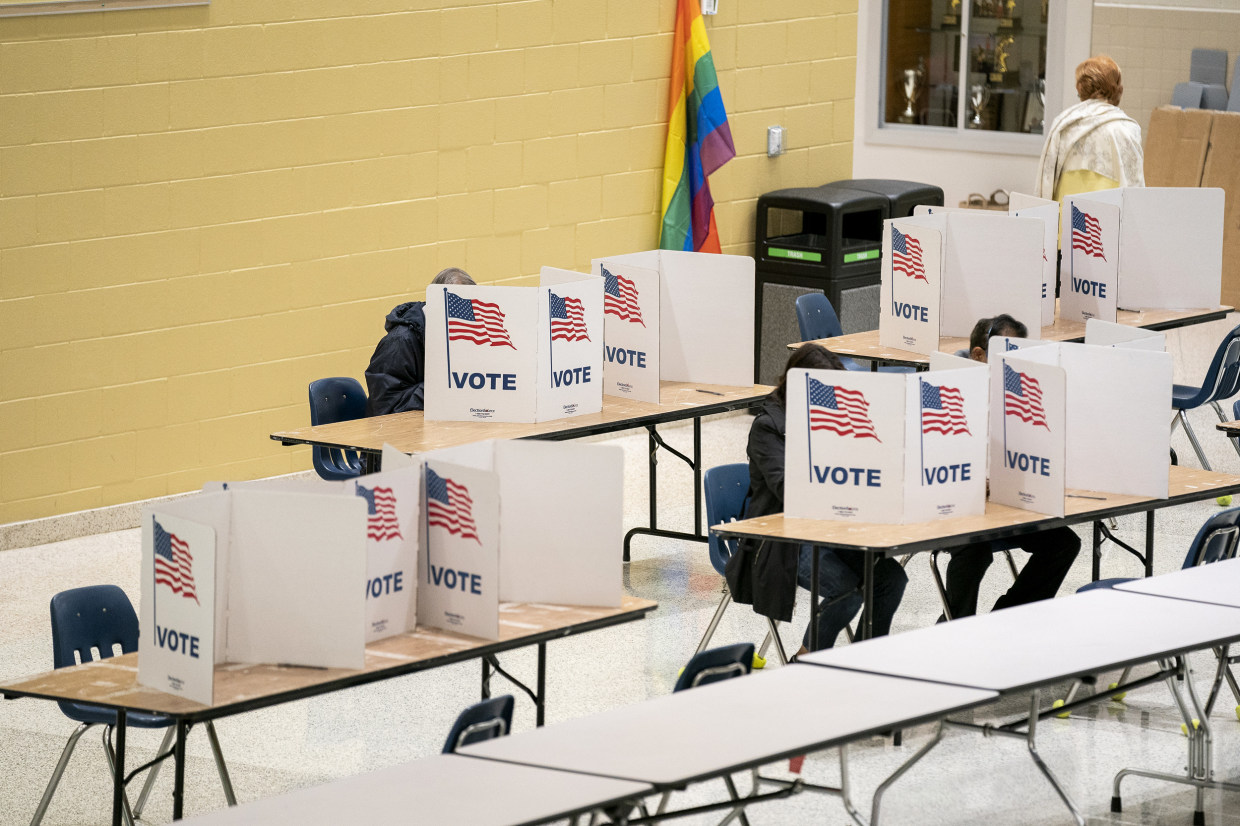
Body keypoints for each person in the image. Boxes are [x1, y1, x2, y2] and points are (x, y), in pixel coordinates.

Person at [725, 343, 908, 654]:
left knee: (891, 579)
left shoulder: (834, 421)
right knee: (846, 590)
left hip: (832, 526)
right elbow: (786, 490)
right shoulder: (768, 427)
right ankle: (807, 657)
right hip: (783, 538)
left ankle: (864, 657)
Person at [941, 314, 1081, 619]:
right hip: (960, 510)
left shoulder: (1018, 392)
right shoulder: (947, 388)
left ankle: (1007, 618)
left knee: (1064, 543)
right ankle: (953, 629)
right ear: (979, 355)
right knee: (974, 551)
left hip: (1007, 506)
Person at [364, 268, 475, 417]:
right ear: (437, 303)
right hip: (395, 433)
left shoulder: (456, 334)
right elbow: (386, 406)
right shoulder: (399, 341)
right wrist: (444, 388)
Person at [1034, 55, 1144, 203]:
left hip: (1066, 216)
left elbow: (1047, 183)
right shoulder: (1125, 128)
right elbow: (1135, 188)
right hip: (1107, 218)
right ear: (1118, 89)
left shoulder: (1063, 124)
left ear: (1080, 88)